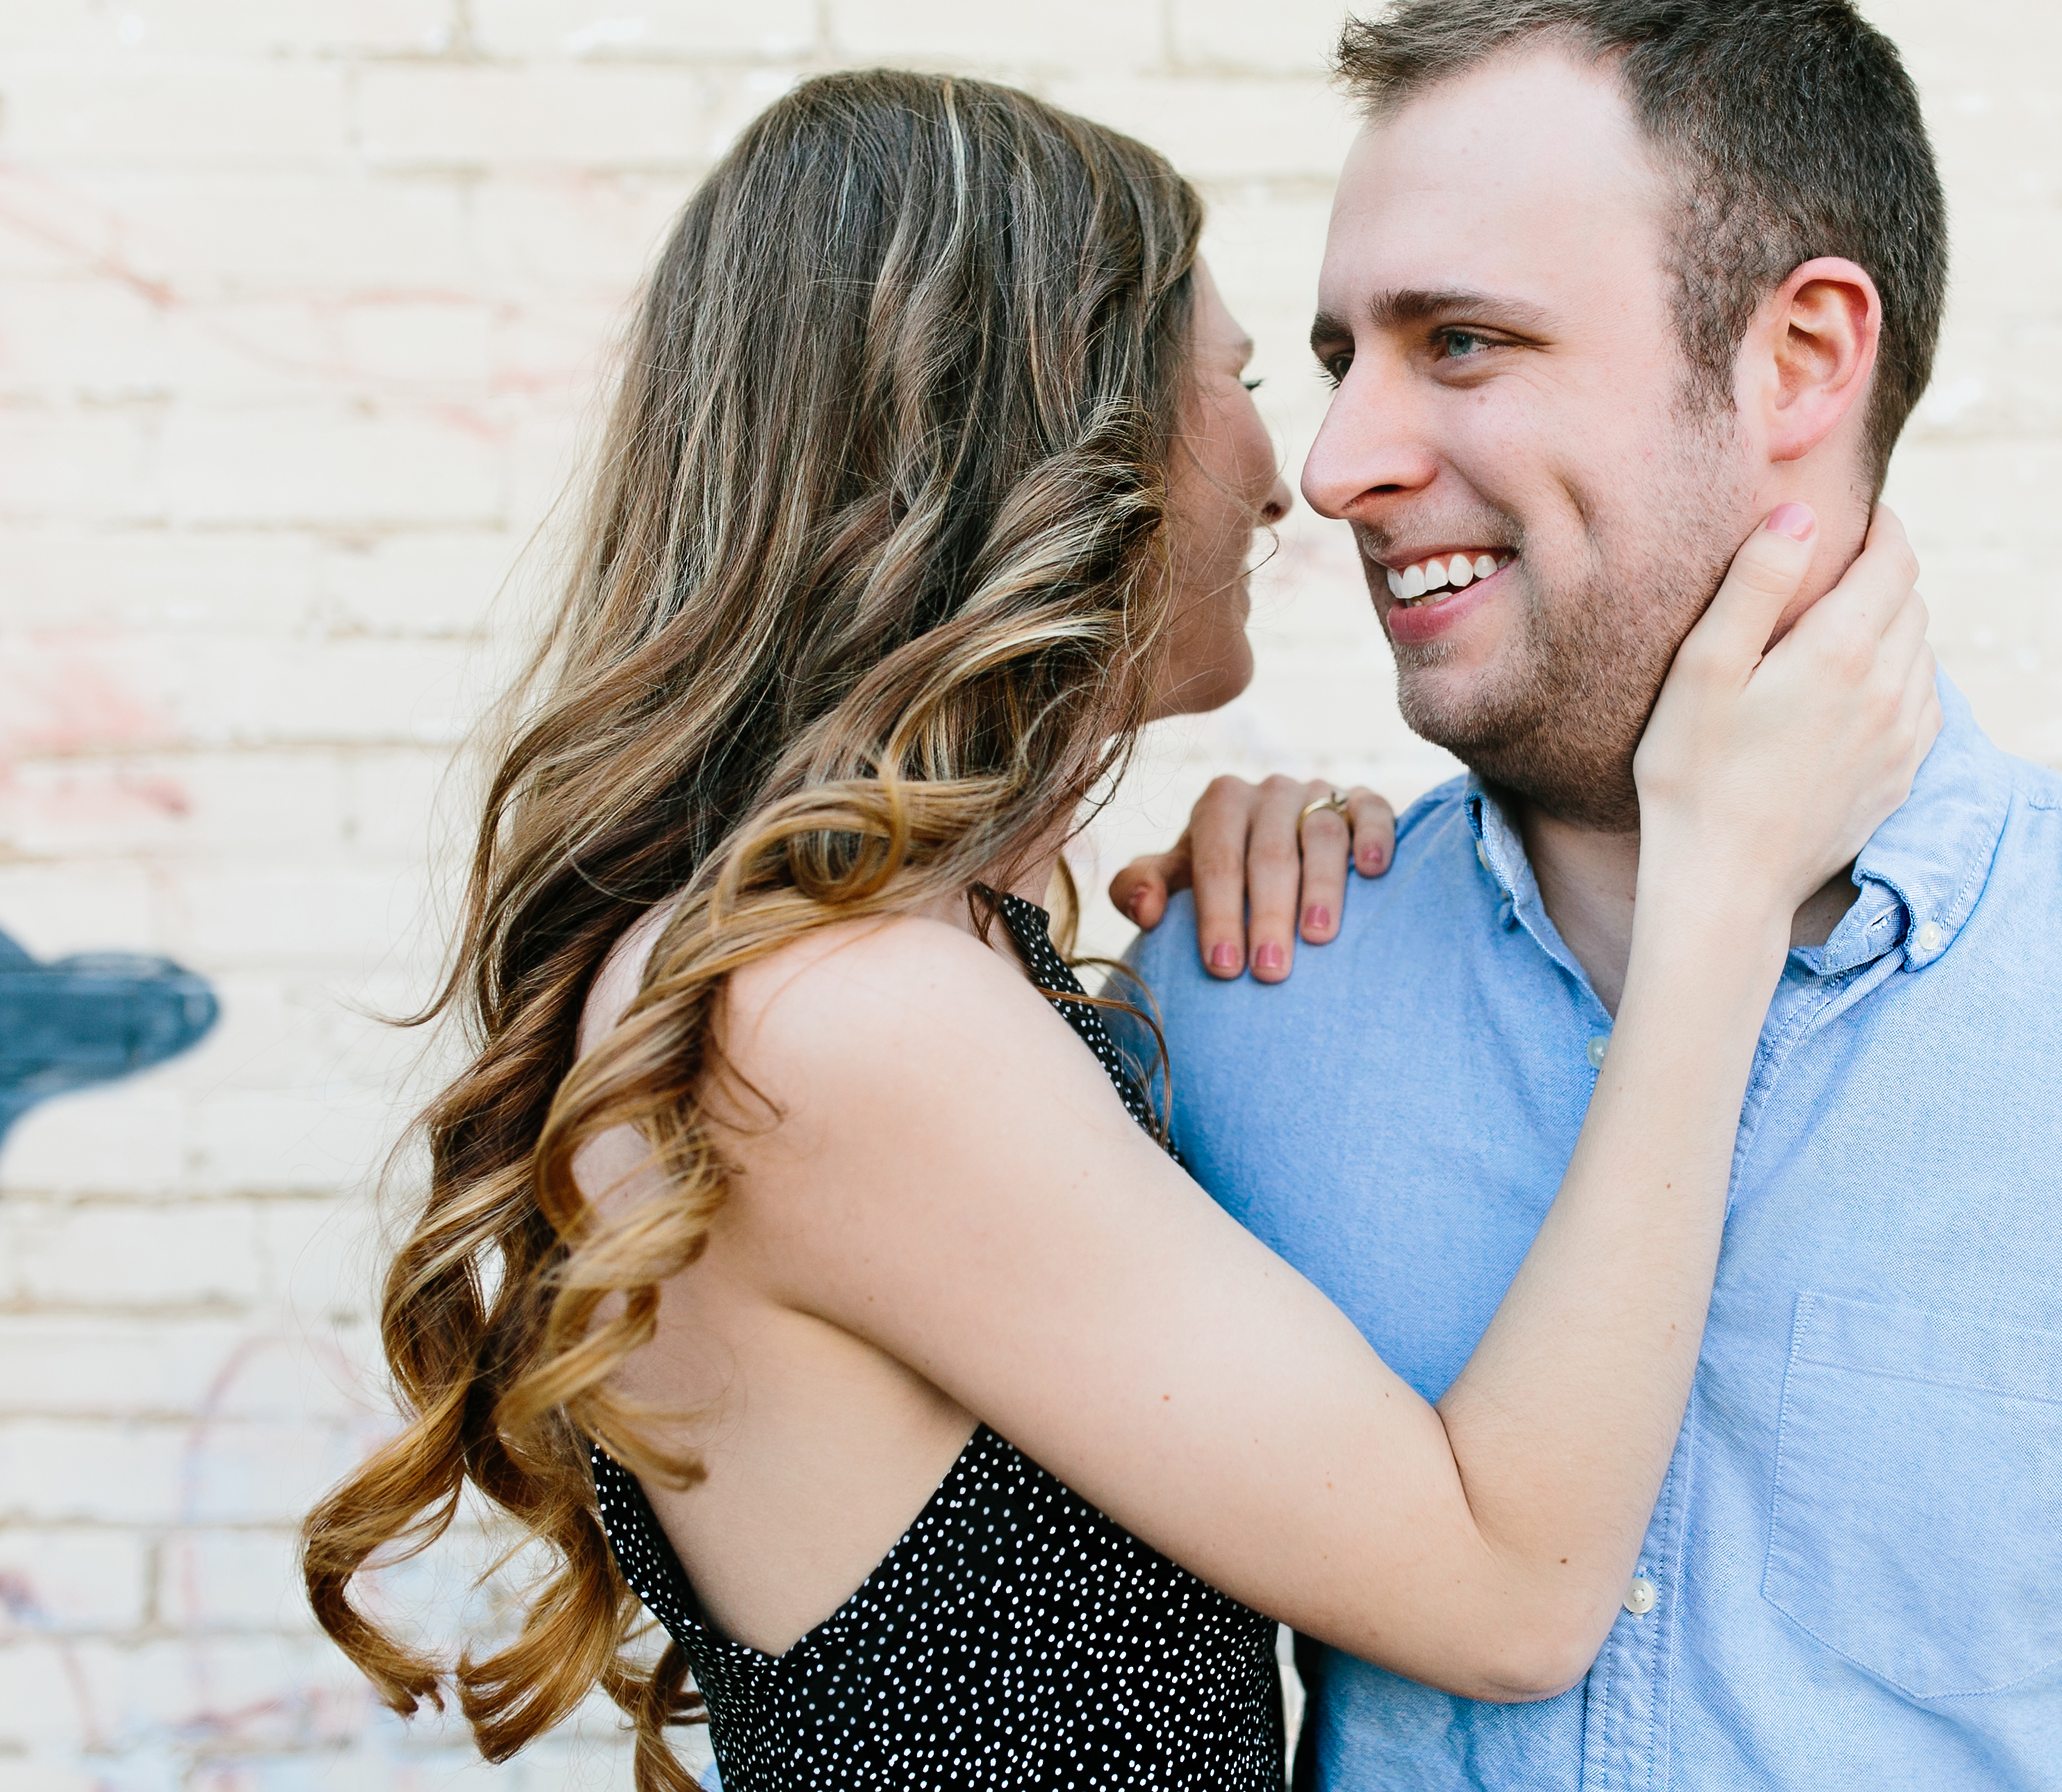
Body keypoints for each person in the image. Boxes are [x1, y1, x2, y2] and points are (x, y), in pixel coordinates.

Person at [296, 68, 1942, 1792]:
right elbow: (1507, 1596)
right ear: (1043, 441)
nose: (1299, 474)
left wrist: (1248, 864)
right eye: (1240, 378)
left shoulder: (865, 977)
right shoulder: (842, 1022)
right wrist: (1724, 887)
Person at [1112, 4, 2062, 1787]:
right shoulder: (1239, 995)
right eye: (1336, 359)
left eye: (1462, 342)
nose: (1338, 463)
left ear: (1802, 357)